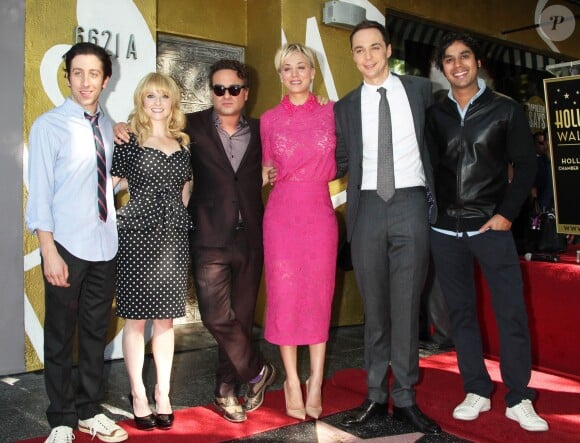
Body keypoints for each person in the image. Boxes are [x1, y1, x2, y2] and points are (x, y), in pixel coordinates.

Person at [115, 59, 276, 424]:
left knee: (240, 318)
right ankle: (257, 371)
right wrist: (121, 126)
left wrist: (274, 171)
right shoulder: (192, 127)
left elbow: (274, 162)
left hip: (250, 237)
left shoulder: (263, 129)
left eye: (234, 88)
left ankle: (225, 391)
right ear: (210, 92)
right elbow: (153, 124)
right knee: (217, 316)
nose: (226, 95)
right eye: (219, 88)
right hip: (207, 239)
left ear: (245, 93)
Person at [425, 32, 548, 432]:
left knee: (511, 312)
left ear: (477, 62)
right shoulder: (434, 112)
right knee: (460, 314)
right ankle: (476, 388)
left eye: (465, 56)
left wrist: (506, 215)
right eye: (449, 59)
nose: (457, 64)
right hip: (444, 231)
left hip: (491, 228)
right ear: (442, 67)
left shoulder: (505, 110)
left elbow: (526, 166)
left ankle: (518, 397)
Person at [334, 20, 441, 435]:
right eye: (359, 50)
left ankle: (407, 398)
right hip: (367, 212)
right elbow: (339, 161)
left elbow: (444, 143)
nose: (367, 56)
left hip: (411, 204)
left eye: (374, 47)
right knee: (375, 310)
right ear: (354, 56)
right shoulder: (344, 106)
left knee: (406, 308)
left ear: (388, 49)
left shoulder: (420, 91)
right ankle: (376, 395)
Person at [25, 42, 128, 443]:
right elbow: (42, 195)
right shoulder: (48, 125)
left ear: (106, 79)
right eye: (78, 73)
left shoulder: (108, 126)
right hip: (65, 246)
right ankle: (61, 418)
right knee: (60, 335)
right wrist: (48, 250)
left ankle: (89, 409)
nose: (86, 82)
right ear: (67, 76)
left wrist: (127, 176)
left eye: (94, 74)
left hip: (104, 244)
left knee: (93, 333)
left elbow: (101, 182)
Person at [111, 72, 193, 431]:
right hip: (136, 237)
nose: (157, 102)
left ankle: (163, 393)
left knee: (165, 321)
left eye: (163, 96)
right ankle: (138, 394)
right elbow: (110, 186)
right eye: (150, 97)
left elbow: (185, 189)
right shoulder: (129, 140)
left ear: (172, 101)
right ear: (140, 102)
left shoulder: (183, 143)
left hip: (173, 239)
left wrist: (178, 219)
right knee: (136, 320)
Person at [260, 43, 337, 420]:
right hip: (281, 215)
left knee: (319, 296)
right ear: (280, 75)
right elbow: (265, 168)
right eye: (286, 68)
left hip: (319, 212)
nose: (294, 74)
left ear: (312, 71)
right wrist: (265, 174)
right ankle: (292, 379)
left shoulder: (331, 112)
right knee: (285, 296)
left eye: (301, 66)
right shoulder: (269, 120)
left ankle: (316, 379)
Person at [531, 129, 554, 211]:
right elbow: (533, 189)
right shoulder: (538, 163)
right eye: (548, 140)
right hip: (545, 208)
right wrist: (537, 208)